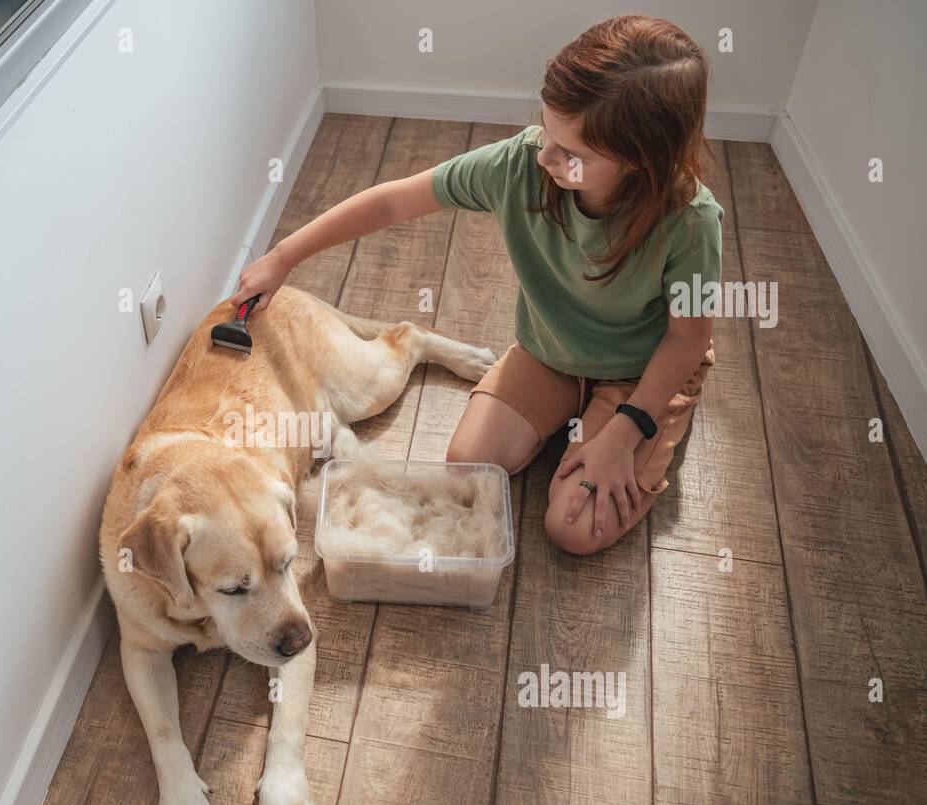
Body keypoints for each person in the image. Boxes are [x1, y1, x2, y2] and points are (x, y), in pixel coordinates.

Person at [231, 14, 722, 555]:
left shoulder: (691, 222)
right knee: (466, 467)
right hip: (551, 354)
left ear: (639, 161)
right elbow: (396, 200)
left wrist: (627, 429)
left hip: (640, 373)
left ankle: (631, 420)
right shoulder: (523, 164)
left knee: (572, 530)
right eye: (546, 130)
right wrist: (283, 256)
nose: (545, 156)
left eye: (571, 154)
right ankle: (574, 416)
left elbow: (687, 339)